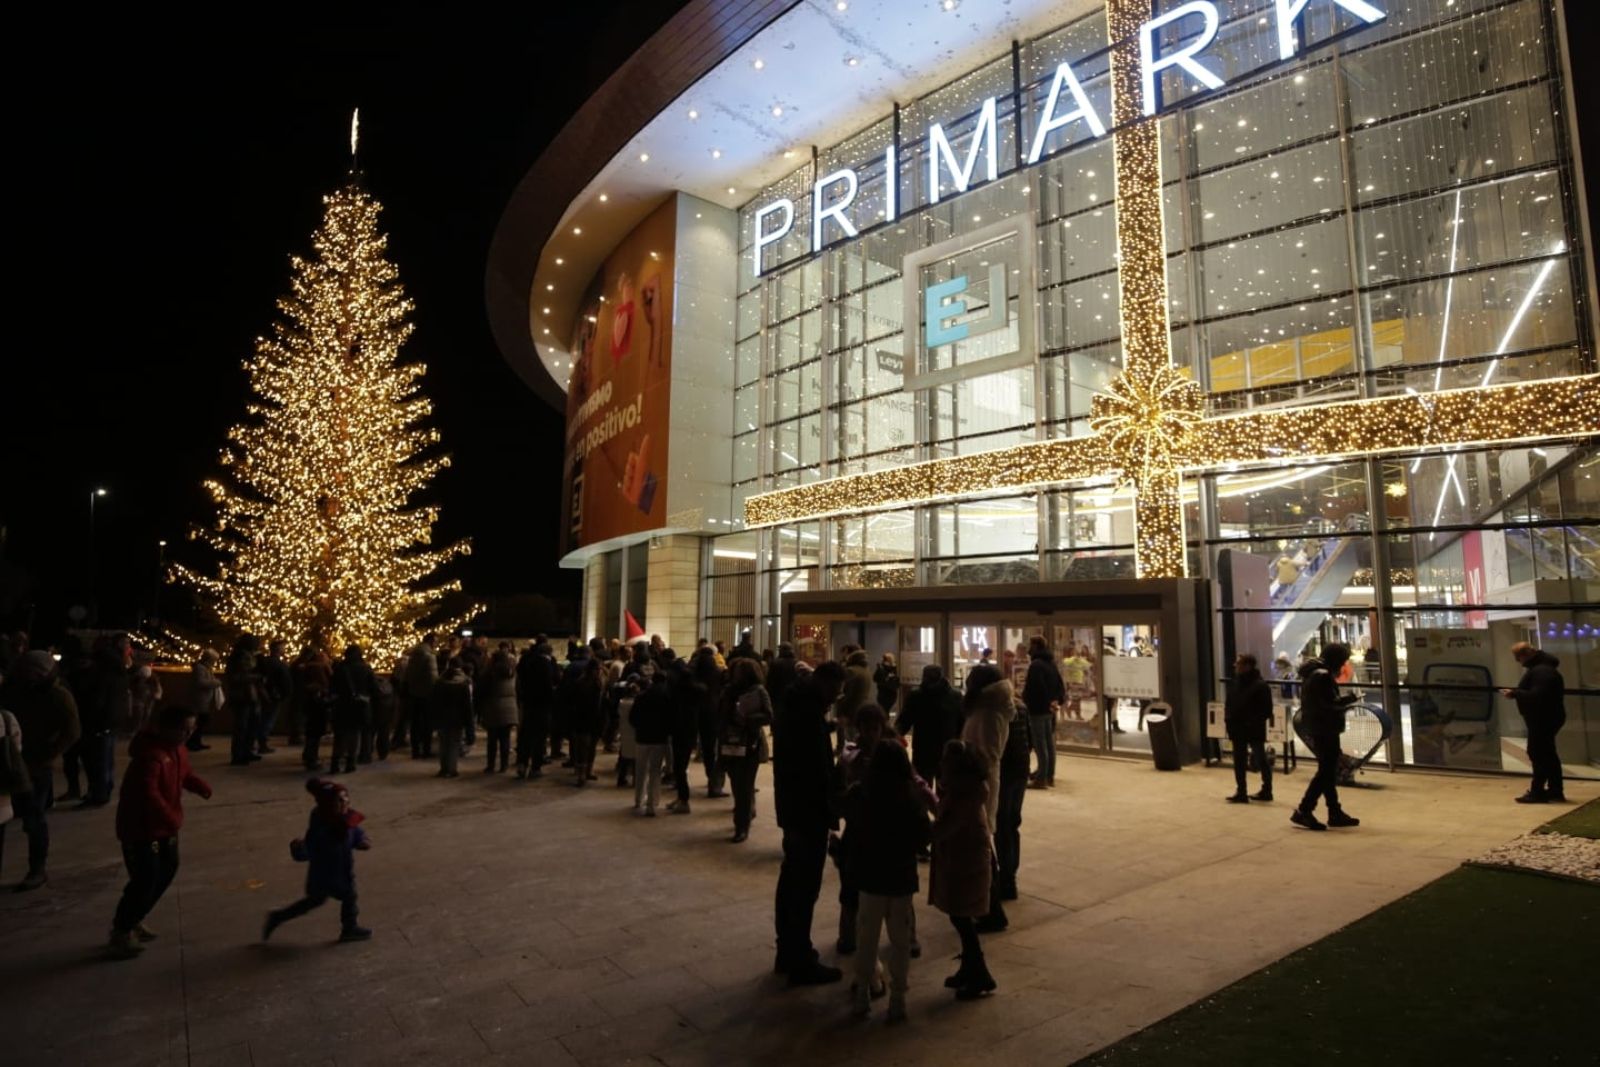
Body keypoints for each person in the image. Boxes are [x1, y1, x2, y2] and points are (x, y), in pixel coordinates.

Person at [107, 707, 212, 958]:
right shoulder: (150, 756)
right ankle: (122, 928)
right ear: (164, 728)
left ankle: (135, 917)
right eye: (183, 729)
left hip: (165, 826)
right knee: (145, 878)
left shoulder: (177, 750)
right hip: (142, 829)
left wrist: (197, 785)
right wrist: (171, 816)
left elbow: (183, 773)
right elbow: (148, 794)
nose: (187, 734)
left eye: (191, 729)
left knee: (167, 869)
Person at [773, 660, 845, 986]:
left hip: (793, 808)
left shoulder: (796, 704)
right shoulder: (806, 713)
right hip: (807, 810)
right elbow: (814, 769)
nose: (834, 700)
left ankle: (787, 951)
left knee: (791, 880)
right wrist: (831, 804)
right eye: (834, 693)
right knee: (803, 885)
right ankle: (799, 957)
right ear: (824, 684)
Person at [846, 740, 929, 1022]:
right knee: (900, 941)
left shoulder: (861, 794)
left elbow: (851, 826)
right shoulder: (910, 797)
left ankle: (862, 997)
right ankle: (898, 999)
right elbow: (923, 837)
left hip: (870, 877)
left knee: (866, 938)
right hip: (901, 879)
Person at [1, 651, 80, 891]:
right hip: (10, 762)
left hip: (36, 765)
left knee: (33, 820)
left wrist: (50, 754)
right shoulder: (12, 691)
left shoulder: (58, 695)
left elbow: (72, 731)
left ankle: (37, 868)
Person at [262, 778, 372, 943]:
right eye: (339, 800)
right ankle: (349, 928)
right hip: (325, 875)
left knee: (319, 901)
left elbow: (355, 831)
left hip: (341, 870)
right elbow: (309, 849)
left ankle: (279, 916)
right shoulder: (322, 829)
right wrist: (299, 849)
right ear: (327, 805)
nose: (345, 802)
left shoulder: (345, 819)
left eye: (346, 798)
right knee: (344, 896)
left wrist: (362, 840)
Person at [930, 740, 996, 999]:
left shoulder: (964, 797)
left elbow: (945, 828)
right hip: (961, 862)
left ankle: (979, 972)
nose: (941, 769)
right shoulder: (962, 792)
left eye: (945, 765)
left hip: (966, 866)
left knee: (962, 917)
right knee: (960, 917)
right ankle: (970, 968)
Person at [1291, 643, 1359, 832]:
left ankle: (1334, 811)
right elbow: (1328, 705)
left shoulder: (1314, 674)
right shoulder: (1322, 676)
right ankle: (1305, 809)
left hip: (1318, 726)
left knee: (1327, 771)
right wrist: (1349, 700)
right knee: (1326, 771)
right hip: (1325, 727)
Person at [980, 695, 1031, 929]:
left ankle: (1004, 880)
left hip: (1005, 773)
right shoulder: (1020, 708)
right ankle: (1010, 877)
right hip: (1020, 771)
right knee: (1012, 824)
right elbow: (1029, 741)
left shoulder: (994, 711)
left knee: (1001, 825)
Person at [1500, 642, 1567, 804]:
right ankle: (1554, 790)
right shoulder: (1544, 669)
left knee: (1537, 753)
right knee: (1548, 754)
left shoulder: (1541, 671)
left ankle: (1538, 791)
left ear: (1525, 655)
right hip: (1547, 717)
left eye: (1518, 657)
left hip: (1542, 719)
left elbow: (1539, 695)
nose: (1518, 661)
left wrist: (1515, 694)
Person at [718, 658, 772, 843]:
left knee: (744, 784)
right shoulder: (729, 690)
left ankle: (741, 825)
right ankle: (747, 811)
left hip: (750, 743)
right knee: (737, 783)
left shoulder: (758, 691)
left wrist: (747, 719)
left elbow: (768, 715)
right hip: (730, 742)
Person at [960, 665, 1013, 833]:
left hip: (980, 780)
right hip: (975, 776)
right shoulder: (984, 706)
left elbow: (990, 754)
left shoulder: (990, 710)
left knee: (979, 828)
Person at [895, 664, 962, 790]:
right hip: (946, 749)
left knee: (923, 790)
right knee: (945, 792)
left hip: (924, 749)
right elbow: (961, 724)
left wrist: (894, 736)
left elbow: (904, 721)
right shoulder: (955, 696)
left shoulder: (917, 696)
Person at [1224, 653, 1273, 804]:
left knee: (1259, 758)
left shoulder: (1259, 685)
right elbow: (1230, 703)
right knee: (1240, 760)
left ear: (1247, 666)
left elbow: (1266, 710)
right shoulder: (1237, 682)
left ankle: (1266, 790)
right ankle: (1242, 791)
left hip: (1251, 729)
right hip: (1238, 728)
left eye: (1238, 664)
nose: (1235, 666)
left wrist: (1250, 722)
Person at [630, 657, 674, 815]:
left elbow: (632, 718)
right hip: (659, 739)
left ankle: (637, 800)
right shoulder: (668, 698)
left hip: (642, 737)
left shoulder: (642, 696)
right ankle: (651, 805)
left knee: (640, 769)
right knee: (655, 771)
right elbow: (671, 719)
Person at [1021, 636, 1064, 789]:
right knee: (1049, 743)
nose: (1028, 648)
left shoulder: (1036, 665)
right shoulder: (1051, 663)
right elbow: (1060, 684)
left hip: (1038, 709)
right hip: (1050, 709)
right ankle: (1049, 775)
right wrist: (1056, 702)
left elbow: (1036, 688)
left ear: (1036, 646)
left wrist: (1025, 698)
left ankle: (1041, 779)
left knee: (1040, 744)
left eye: (1030, 645)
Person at [329, 646, 376, 775]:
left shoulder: (339, 669)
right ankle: (351, 762)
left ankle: (335, 763)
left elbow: (332, 687)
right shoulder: (365, 668)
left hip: (341, 705)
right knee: (354, 735)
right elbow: (373, 687)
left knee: (339, 736)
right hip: (358, 705)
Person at [515, 638, 558, 778]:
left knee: (525, 735)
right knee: (539, 737)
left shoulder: (528, 661)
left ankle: (522, 763)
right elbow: (548, 685)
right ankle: (535, 767)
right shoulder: (546, 664)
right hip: (542, 705)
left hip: (528, 703)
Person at [476, 649, 519, 774]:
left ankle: (491, 765)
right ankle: (504, 765)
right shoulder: (512, 672)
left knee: (492, 740)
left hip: (493, 707)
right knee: (505, 739)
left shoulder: (489, 673)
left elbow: (481, 690)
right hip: (509, 708)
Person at [223, 636, 264, 767]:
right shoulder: (239, 658)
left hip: (247, 695)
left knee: (250, 725)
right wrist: (256, 677)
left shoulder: (243, 657)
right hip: (242, 696)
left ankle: (246, 751)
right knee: (242, 726)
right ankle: (239, 754)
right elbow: (237, 677)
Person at [429, 661, 473, 778]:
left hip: (443, 716)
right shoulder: (463, 684)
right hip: (457, 718)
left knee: (443, 743)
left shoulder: (440, 682)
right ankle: (452, 768)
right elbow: (467, 705)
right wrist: (469, 722)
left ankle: (444, 768)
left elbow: (434, 702)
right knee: (454, 743)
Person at [294, 644, 334, 771]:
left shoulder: (305, 668)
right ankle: (312, 759)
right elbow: (329, 681)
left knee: (311, 732)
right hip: (319, 703)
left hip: (309, 702)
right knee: (315, 733)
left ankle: (308, 756)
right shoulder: (322, 668)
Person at [569, 657, 605, 787]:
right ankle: (584, 773)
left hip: (589, 718)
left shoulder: (594, 683)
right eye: (598, 669)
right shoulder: (589, 683)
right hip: (588, 718)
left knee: (587, 747)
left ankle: (586, 772)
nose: (599, 671)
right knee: (586, 746)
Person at [402, 635, 440, 758]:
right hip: (427, 693)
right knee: (427, 722)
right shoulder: (429, 656)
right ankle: (426, 749)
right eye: (435, 641)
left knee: (415, 722)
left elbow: (408, 674)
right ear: (431, 641)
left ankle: (415, 750)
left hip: (414, 692)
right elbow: (432, 677)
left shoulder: (414, 655)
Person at [259, 640, 293, 756]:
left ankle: (261, 741)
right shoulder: (276, 663)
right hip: (273, 695)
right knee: (268, 719)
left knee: (266, 718)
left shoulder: (267, 662)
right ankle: (262, 742)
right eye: (283, 647)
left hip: (271, 694)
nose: (284, 649)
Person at [188, 648, 222, 753]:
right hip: (200, 699)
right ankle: (193, 742)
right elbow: (200, 682)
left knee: (202, 721)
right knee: (199, 721)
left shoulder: (205, 668)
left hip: (204, 699)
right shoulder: (200, 669)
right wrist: (215, 683)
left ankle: (196, 741)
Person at [128, 657, 163, 736]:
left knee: (146, 716)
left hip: (148, 701)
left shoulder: (153, 681)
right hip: (138, 701)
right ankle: (135, 730)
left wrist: (155, 696)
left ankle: (141, 730)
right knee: (137, 716)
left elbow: (158, 691)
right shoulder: (136, 680)